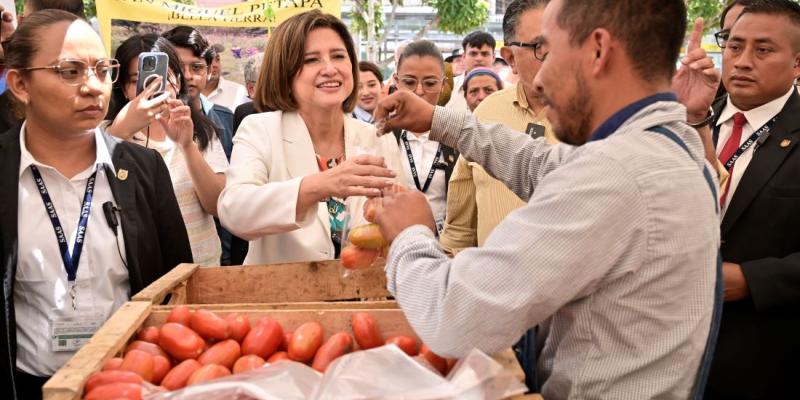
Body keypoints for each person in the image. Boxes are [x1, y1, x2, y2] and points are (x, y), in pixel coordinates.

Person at [372, 0, 722, 397]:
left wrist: (412, 236)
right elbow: (539, 164)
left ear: (597, 50)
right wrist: (438, 120)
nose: (538, 81)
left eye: (548, 51)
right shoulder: (670, 147)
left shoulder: (617, 173)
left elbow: (454, 318)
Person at [0, 11, 191, 399]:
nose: (93, 86)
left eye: (103, 69)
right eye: (70, 71)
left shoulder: (142, 168)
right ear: (20, 84)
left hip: (131, 381)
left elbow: (176, 281)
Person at [217, 10, 402, 265]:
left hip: (364, 297)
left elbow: (398, 218)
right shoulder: (260, 130)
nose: (330, 69)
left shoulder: (377, 137)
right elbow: (234, 211)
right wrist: (320, 185)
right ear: (285, 71)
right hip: (285, 299)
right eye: (311, 60)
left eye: (338, 56)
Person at [704, 1, 800, 398]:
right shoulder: (690, 119)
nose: (742, 61)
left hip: (763, 357)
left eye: (763, 50)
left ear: (797, 63)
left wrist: (752, 280)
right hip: (666, 350)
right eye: (734, 45)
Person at [441, 0, 556, 253]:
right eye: (539, 47)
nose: (553, 57)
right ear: (510, 58)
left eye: (562, 45)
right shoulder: (486, 113)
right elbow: (460, 227)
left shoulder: (592, 118)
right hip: (492, 287)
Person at [104, 34, 228, 267]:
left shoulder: (200, 130)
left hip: (201, 267)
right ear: (123, 88)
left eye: (164, 77)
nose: (153, 87)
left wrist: (187, 145)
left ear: (178, 81)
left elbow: (217, 205)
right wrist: (120, 133)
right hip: (138, 272)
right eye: (139, 80)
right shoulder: (107, 135)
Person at [392, 40, 459, 233]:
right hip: (393, 244)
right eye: (409, 82)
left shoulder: (458, 137)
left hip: (446, 246)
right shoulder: (379, 136)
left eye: (430, 83)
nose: (419, 91)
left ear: (443, 84)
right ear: (396, 82)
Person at [162, 26, 234, 161]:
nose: (187, 76)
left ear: (210, 70)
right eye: (177, 67)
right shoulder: (150, 119)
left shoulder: (227, 118)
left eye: (196, 67)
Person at [445, 31, 498, 111]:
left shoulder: (508, 90)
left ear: (493, 57)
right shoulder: (447, 88)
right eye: (473, 54)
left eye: (485, 54)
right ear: (463, 57)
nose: (479, 59)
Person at [203, 43, 249, 112]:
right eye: (209, 60)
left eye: (217, 59)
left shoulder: (239, 92)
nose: (215, 65)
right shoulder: (188, 92)